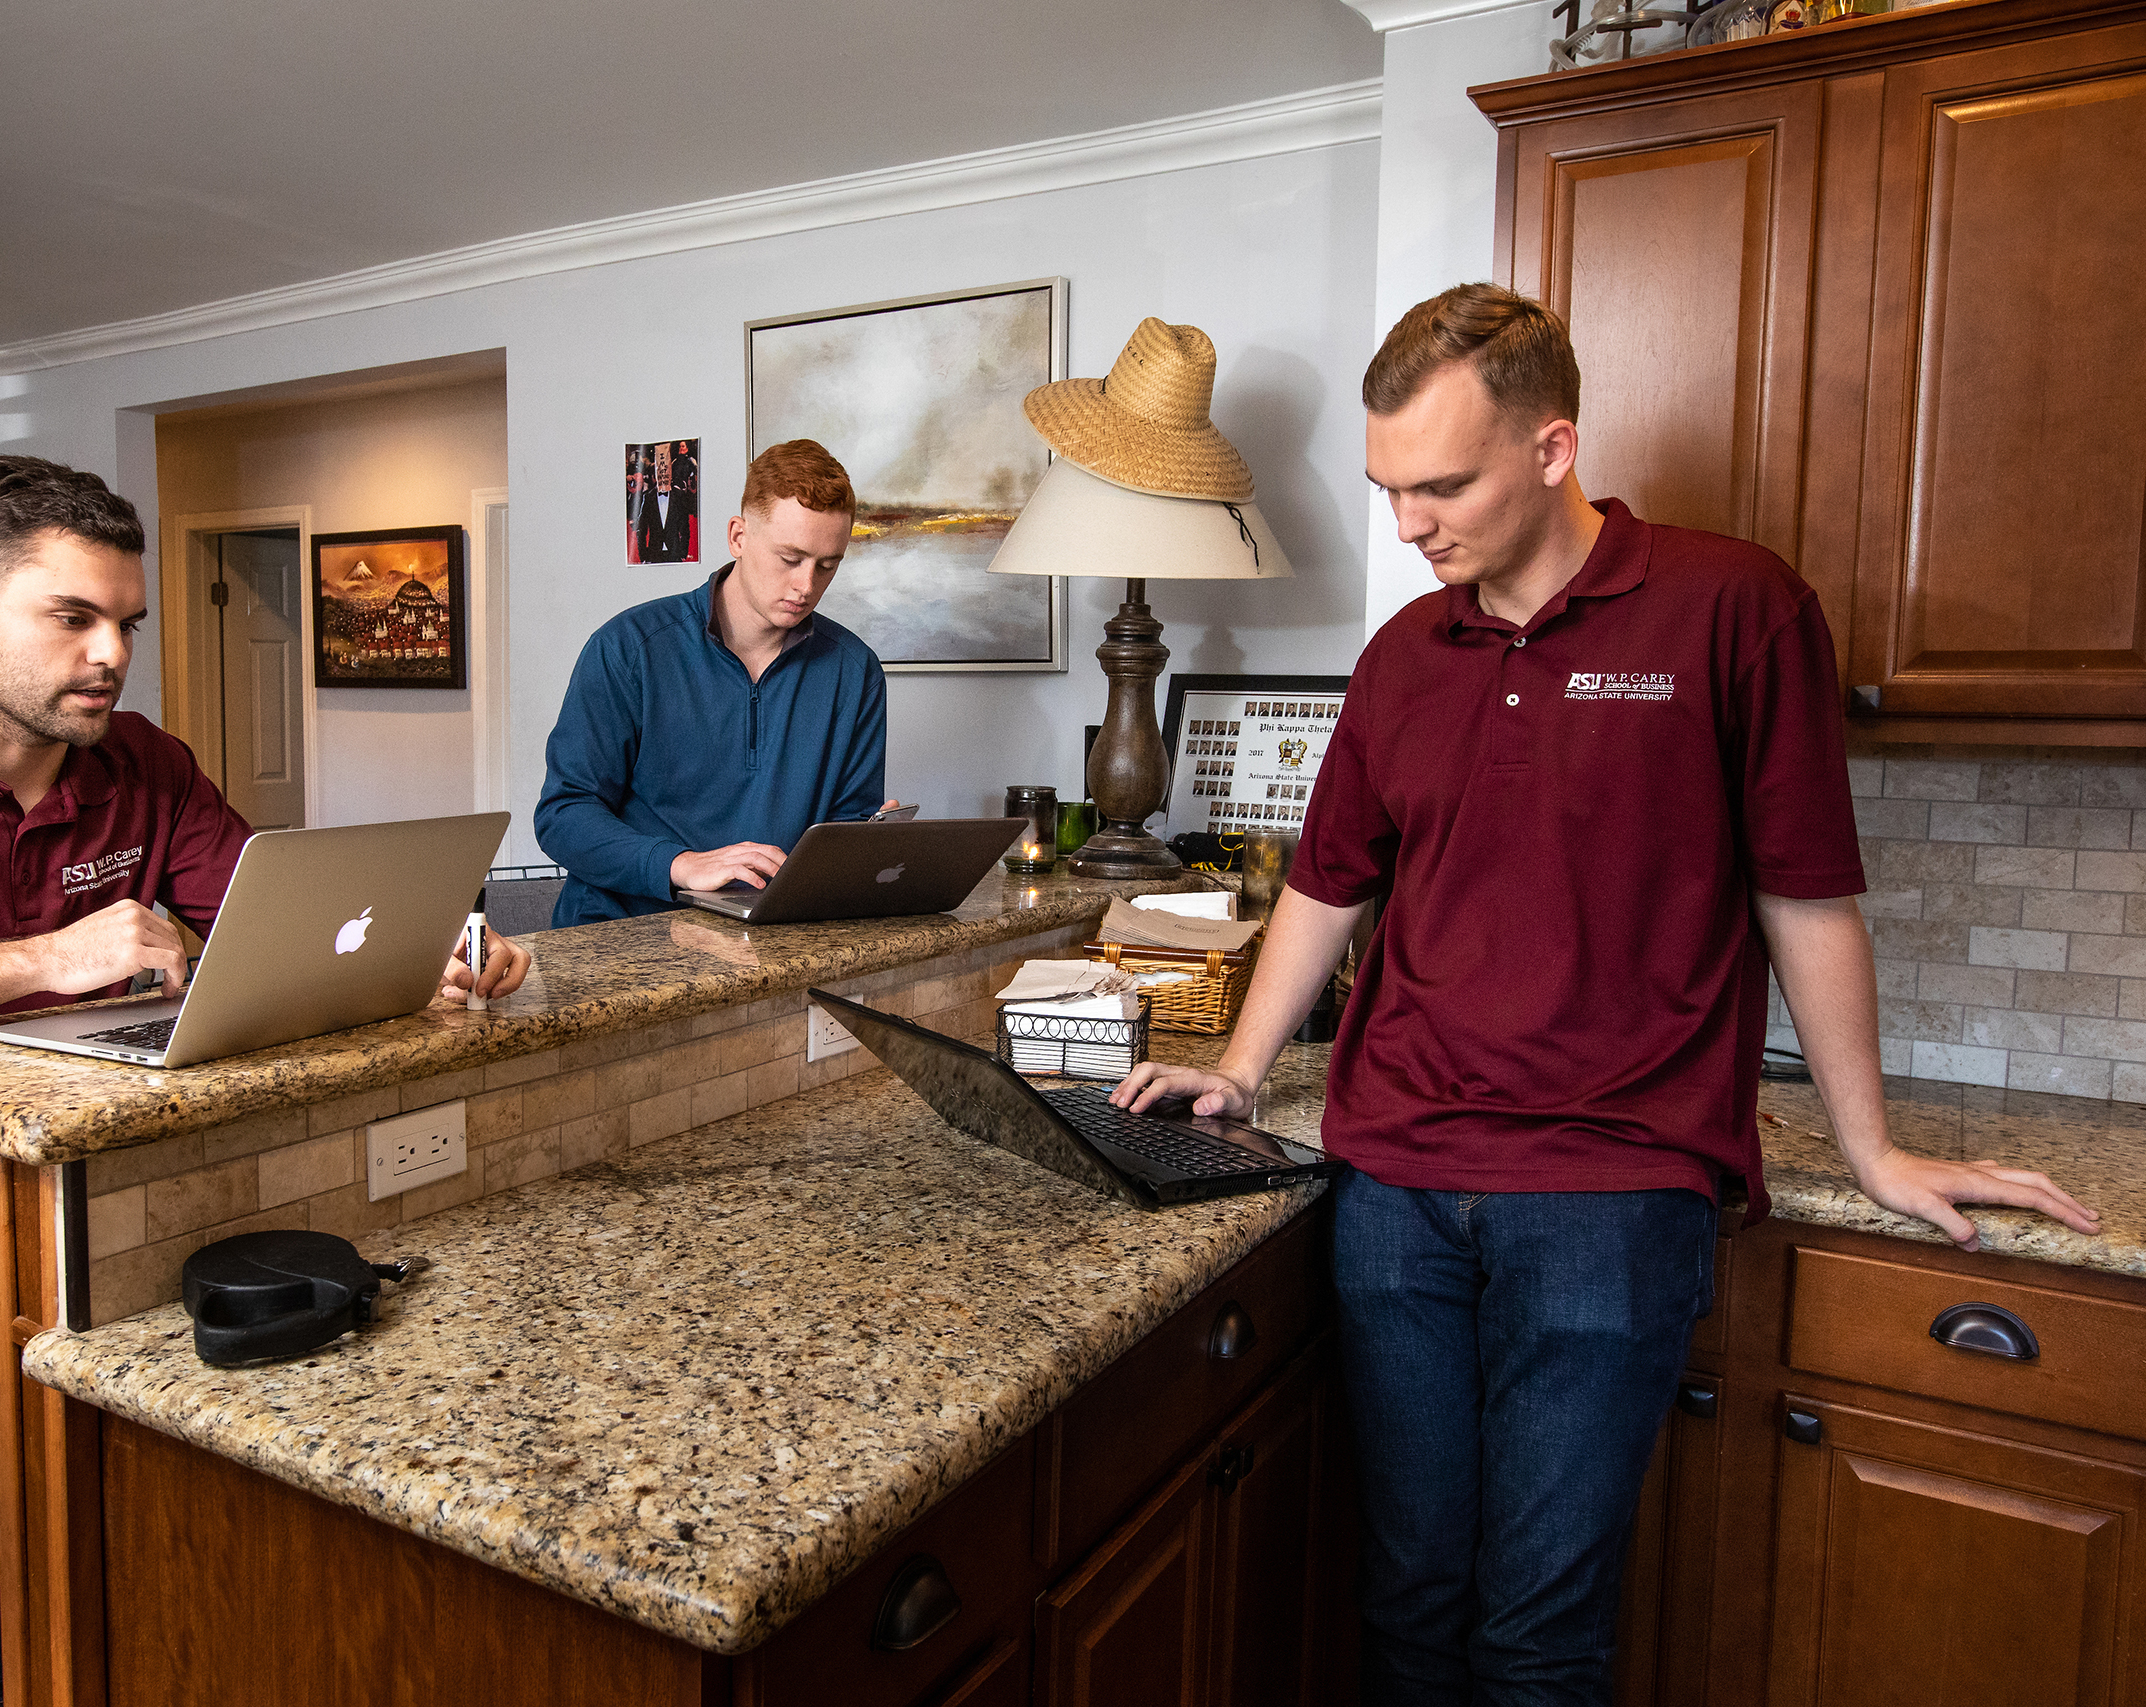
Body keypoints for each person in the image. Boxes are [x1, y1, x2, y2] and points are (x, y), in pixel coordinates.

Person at [1112, 284, 2097, 1705]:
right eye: (1391, 488)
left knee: (1536, 1631)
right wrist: (1247, 1064)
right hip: (1392, 1190)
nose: (1409, 528)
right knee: (1406, 1595)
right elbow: (1329, 882)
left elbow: (1807, 893)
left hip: (1611, 1195)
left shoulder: (1735, 608)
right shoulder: (1404, 656)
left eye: (1442, 485)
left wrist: (1869, 1141)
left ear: (1554, 448)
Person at [0, 457, 530, 1707]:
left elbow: (279, 920)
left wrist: (432, 951)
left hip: (65, 1163)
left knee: (303, 1326)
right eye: (72, 618)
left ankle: (189, 1636)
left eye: (126, 623)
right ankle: (7, 1684)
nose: (111, 653)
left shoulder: (145, 766)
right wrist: (42, 959)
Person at [538, 437, 886, 925]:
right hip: (622, 933)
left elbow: (845, 831)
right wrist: (681, 865)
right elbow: (564, 815)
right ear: (738, 537)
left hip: (770, 939)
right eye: (790, 558)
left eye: (827, 565)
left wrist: (867, 845)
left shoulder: (855, 670)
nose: (806, 585)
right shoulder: (628, 648)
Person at [634, 439, 698, 564]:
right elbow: (641, 529)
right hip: (654, 554)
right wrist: (643, 555)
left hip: (674, 553)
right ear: (654, 477)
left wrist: (683, 552)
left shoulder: (678, 495)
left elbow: (685, 527)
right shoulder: (649, 497)